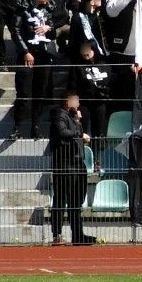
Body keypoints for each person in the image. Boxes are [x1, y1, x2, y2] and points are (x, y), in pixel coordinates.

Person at [47, 89, 95, 246]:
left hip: (77, 163)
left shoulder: (74, 117)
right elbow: (63, 132)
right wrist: (79, 132)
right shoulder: (59, 114)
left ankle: (78, 235)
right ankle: (57, 235)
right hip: (64, 163)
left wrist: (77, 122)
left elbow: (77, 133)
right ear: (68, 102)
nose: (78, 104)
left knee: (76, 201)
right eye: (76, 101)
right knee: (60, 200)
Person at [15, 0, 61, 138]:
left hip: (45, 54)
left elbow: (54, 29)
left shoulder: (50, 7)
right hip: (28, 54)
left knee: (40, 92)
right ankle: (18, 128)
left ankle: (36, 126)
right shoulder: (22, 7)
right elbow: (16, 30)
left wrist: (49, 28)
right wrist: (25, 51)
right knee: (24, 92)